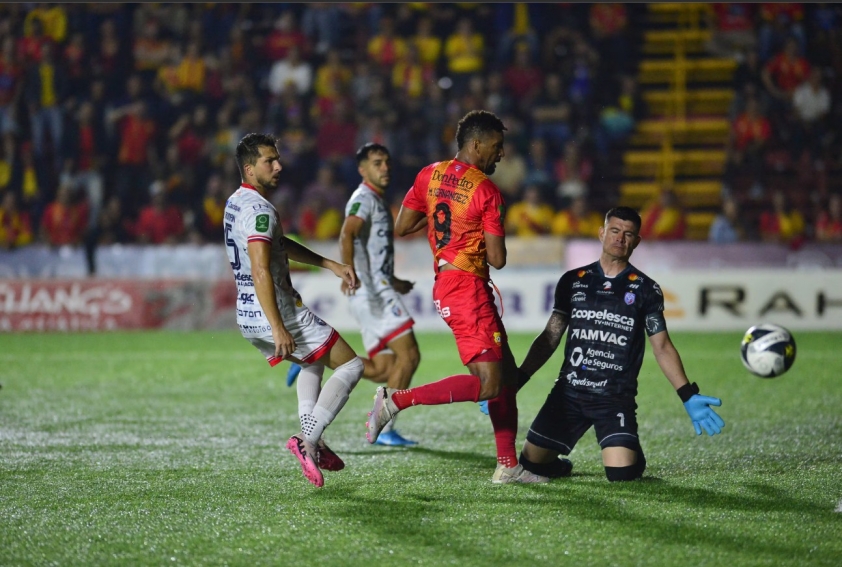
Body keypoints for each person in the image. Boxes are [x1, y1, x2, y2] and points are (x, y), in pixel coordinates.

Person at [365, 110, 545, 484]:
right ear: (476, 144)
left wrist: (440, 216)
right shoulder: (487, 191)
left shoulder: (430, 174)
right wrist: (485, 224)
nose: (501, 154)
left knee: (505, 377)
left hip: (448, 282)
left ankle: (508, 465)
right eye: (497, 146)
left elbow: (402, 225)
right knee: (490, 384)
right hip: (467, 289)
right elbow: (498, 259)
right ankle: (395, 401)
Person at [514, 207, 725, 482]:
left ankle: (630, 450)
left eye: (628, 234)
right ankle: (558, 465)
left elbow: (662, 346)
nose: (620, 238)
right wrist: (517, 380)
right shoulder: (572, 281)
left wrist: (687, 394)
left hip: (613, 397)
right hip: (569, 393)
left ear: (637, 241)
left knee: (622, 476)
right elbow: (550, 336)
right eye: (614, 231)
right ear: (602, 233)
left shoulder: (646, 289)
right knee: (530, 466)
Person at [224, 133, 365, 488]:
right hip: (278, 312)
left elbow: (277, 245)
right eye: (269, 161)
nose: (278, 166)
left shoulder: (236, 202)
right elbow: (260, 269)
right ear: (249, 168)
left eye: (277, 159)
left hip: (247, 313)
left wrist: (329, 264)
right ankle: (308, 440)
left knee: (311, 362)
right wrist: (278, 326)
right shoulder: (260, 210)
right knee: (352, 366)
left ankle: (313, 441)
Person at [288, 143, 422, 447]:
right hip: (373, 293)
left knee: (383, 368)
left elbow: (370, 251)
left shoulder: (375, 199)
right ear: (362, 169)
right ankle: (385, 428)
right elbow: (347, 232)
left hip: (376, 288)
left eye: (386, 162)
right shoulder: (363, 199)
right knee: (409, 356)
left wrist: (394, 280)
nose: (385, 167)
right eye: (377, 163)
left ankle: (316, 355)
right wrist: (348, 270)